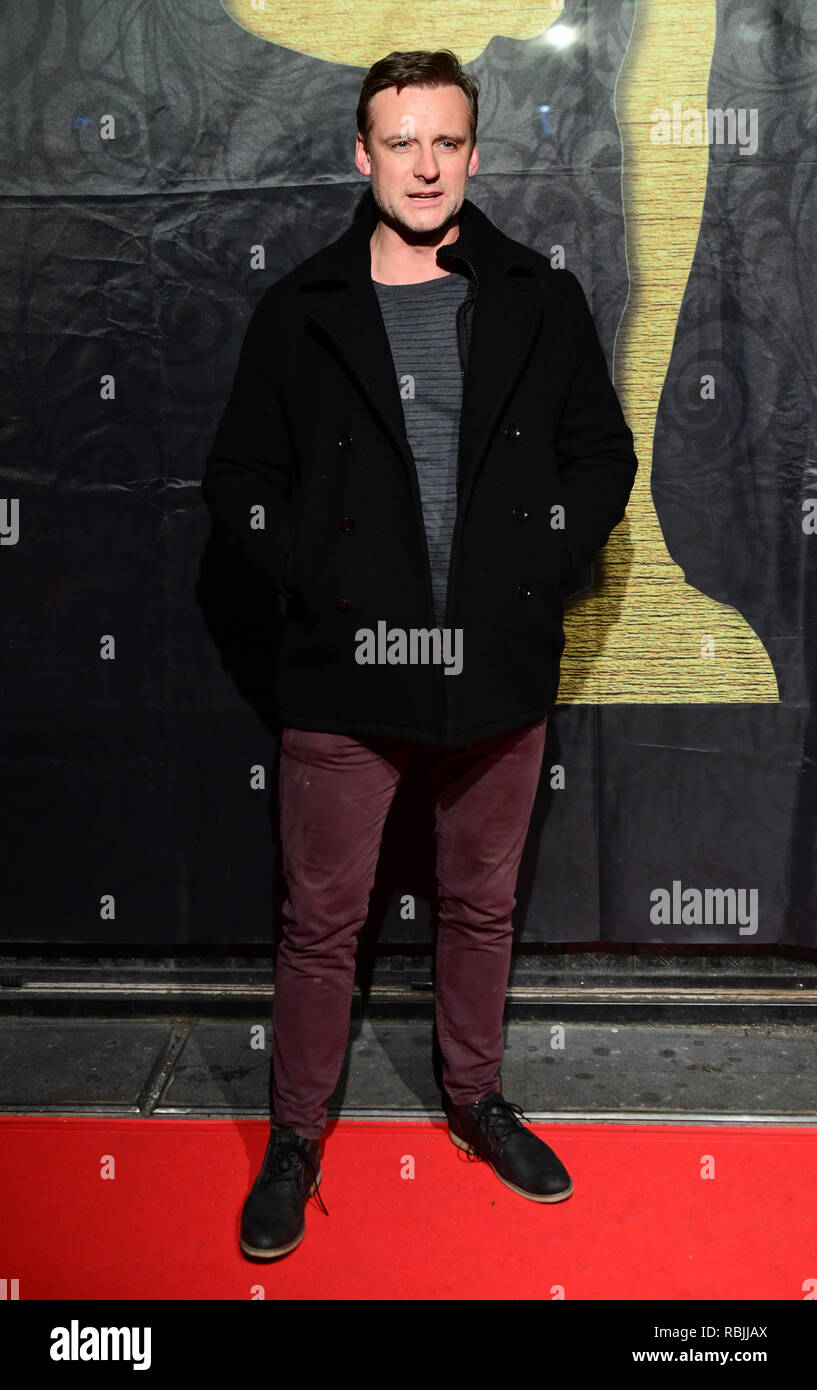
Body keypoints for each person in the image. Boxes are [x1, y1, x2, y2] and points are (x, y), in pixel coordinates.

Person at [201, 49, 638, 1261]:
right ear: (363, 154)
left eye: (445, 140)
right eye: (402, 142)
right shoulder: (300, 307)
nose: (426, 163)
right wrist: (316, 578)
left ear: (473, 151)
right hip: (347, 673)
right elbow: (235, 477)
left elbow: (601, 456)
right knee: (321, 922)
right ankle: (297, 1134)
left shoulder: (536, 297)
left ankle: (475, 1098)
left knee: (482, 906)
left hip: (494, 670)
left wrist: (542, 561)